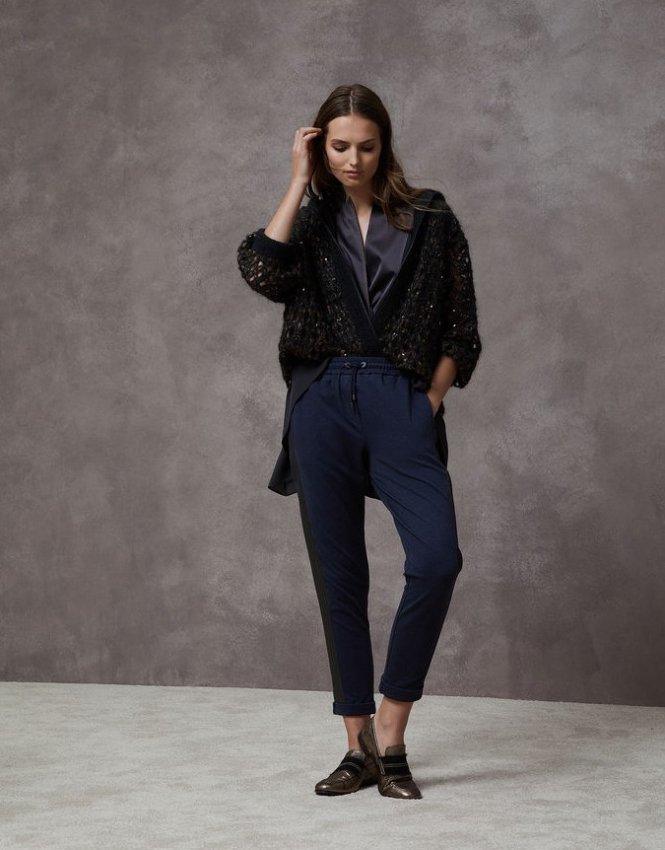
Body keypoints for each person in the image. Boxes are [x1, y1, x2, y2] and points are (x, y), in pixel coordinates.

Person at [236, 84, 482, 800]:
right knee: (339, 576)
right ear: (320, 146)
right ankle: (357, 747)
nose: (352, 159)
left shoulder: (430, 217)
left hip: (398, 400)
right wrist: (296, 180)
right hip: (322, 402)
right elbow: (261, 270)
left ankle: (392, 731)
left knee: (436, 559)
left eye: (365, 146)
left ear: (385, 145)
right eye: (338, 146)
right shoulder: (311, 221)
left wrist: (425, 403)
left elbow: (462, 329)